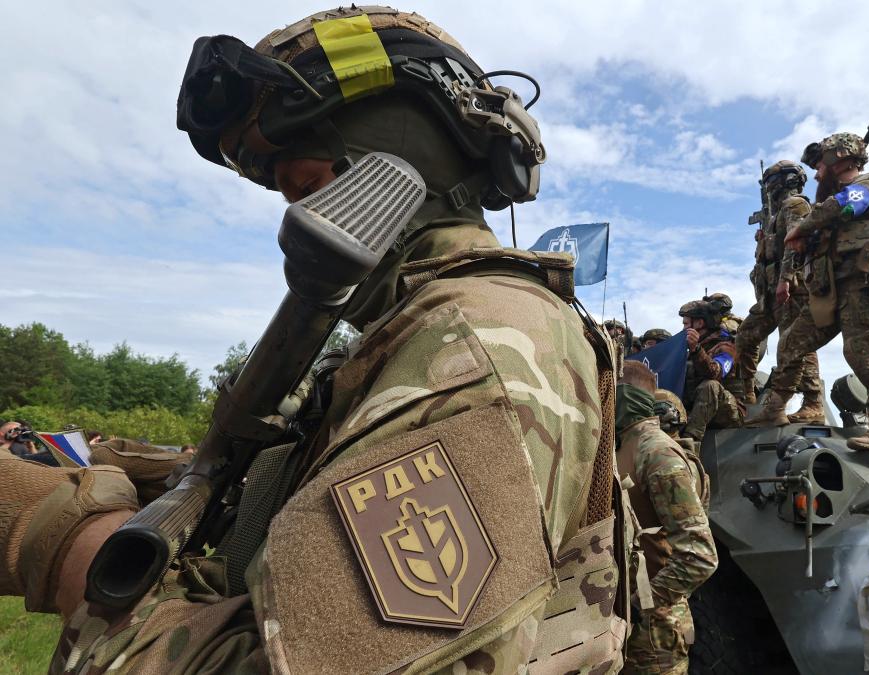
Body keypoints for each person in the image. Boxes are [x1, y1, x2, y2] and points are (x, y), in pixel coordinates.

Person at [0, 7, 625, 673]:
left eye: (305, 183)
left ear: (404, 145)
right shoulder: (410, 337)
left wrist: (64, 540)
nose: (299, 215)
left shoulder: (476, 342)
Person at [777, 132, 869, 452]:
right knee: (793, 340)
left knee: (864, 353)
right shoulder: (836, 202)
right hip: (833, 290)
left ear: (839, 159)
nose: (817, 174)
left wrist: (804, 227)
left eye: (820, 165)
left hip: (865, 286)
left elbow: (847, 205)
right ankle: (775, 408)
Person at [616, 361, 717, 674]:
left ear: (624, 397)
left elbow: (699, 555)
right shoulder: (625, 448)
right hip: (625, 626)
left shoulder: (656, 453)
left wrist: (641, 603)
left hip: (653, 637)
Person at [736, 161, 825, 423]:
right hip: (769, 295)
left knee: (797, 344)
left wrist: (786, 278)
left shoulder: (796, 205)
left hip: (791, 289)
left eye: (771, 182)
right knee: (745, 337)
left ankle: (812, 401)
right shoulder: (774, 216)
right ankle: (747, 395)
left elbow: (796, 244)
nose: (768, 189)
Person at [678, 298, 746, 441]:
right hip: (696, 410)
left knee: (710, 386)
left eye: (686, 324)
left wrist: (696, 350)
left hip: (728, 411)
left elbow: (716, 373)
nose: (683, 328)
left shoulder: (726, 347)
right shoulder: (685, 351)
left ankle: (690, 442)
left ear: (700, 323)